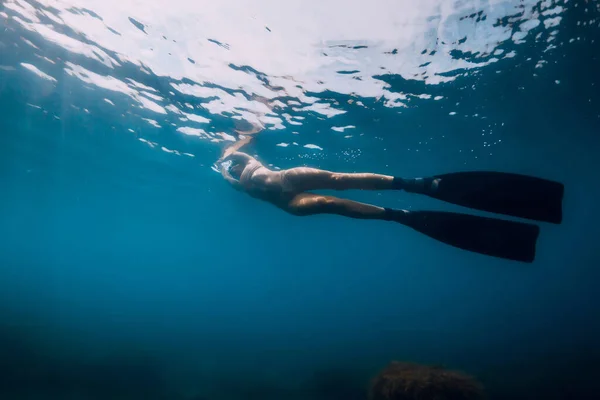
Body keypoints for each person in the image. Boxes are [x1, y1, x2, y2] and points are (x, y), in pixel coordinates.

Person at [217, 119, 563, 263]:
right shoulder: (226, 172)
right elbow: (228, 170)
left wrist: (245, 137)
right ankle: (400, 216)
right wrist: (225, 167)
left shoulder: (238, 155)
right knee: (329, 202)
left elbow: (243, 142)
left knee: (339, 180)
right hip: (286, 203)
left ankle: (413, 186)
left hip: (285, 180)